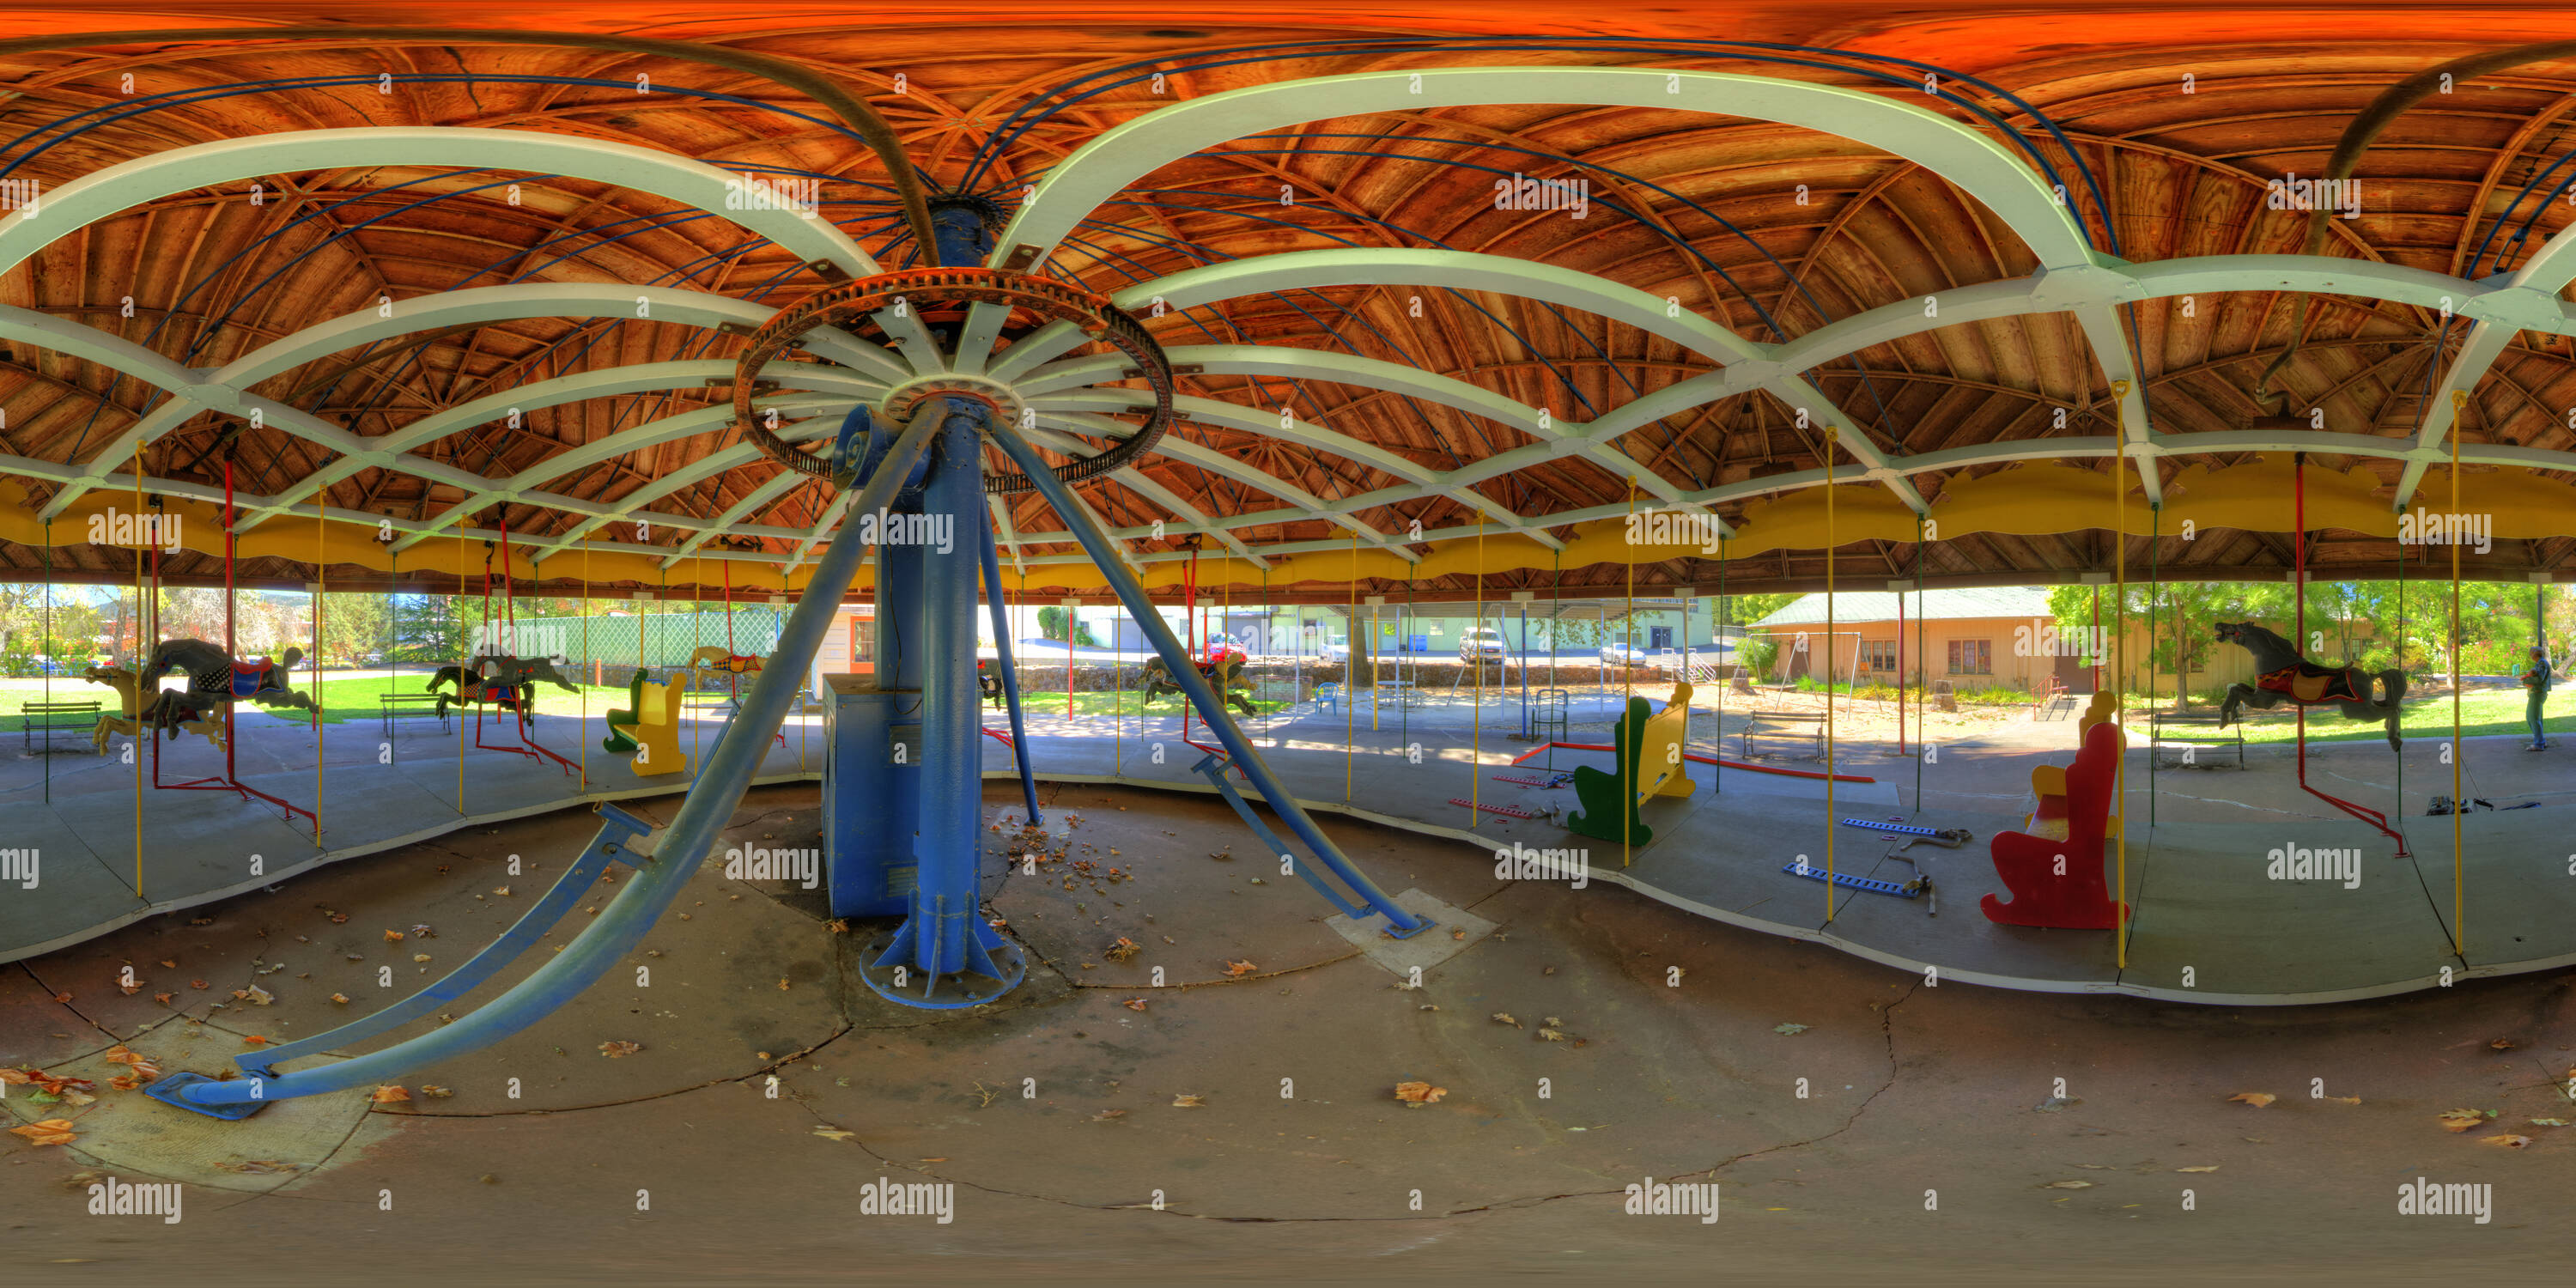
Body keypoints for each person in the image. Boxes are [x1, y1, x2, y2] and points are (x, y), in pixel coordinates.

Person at [2524, 643, 2554, 751]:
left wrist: (2525, 680)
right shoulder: (2541, 663)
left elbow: (2538, 678)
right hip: (2537, 693)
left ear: (2534, 654)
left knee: (2533, 718)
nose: (2530, 655)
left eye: (2531, 653)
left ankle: (2539, 744)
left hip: (2537, 693)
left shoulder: (2542, 663)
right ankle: (2541, 741)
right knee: (2534, 718)